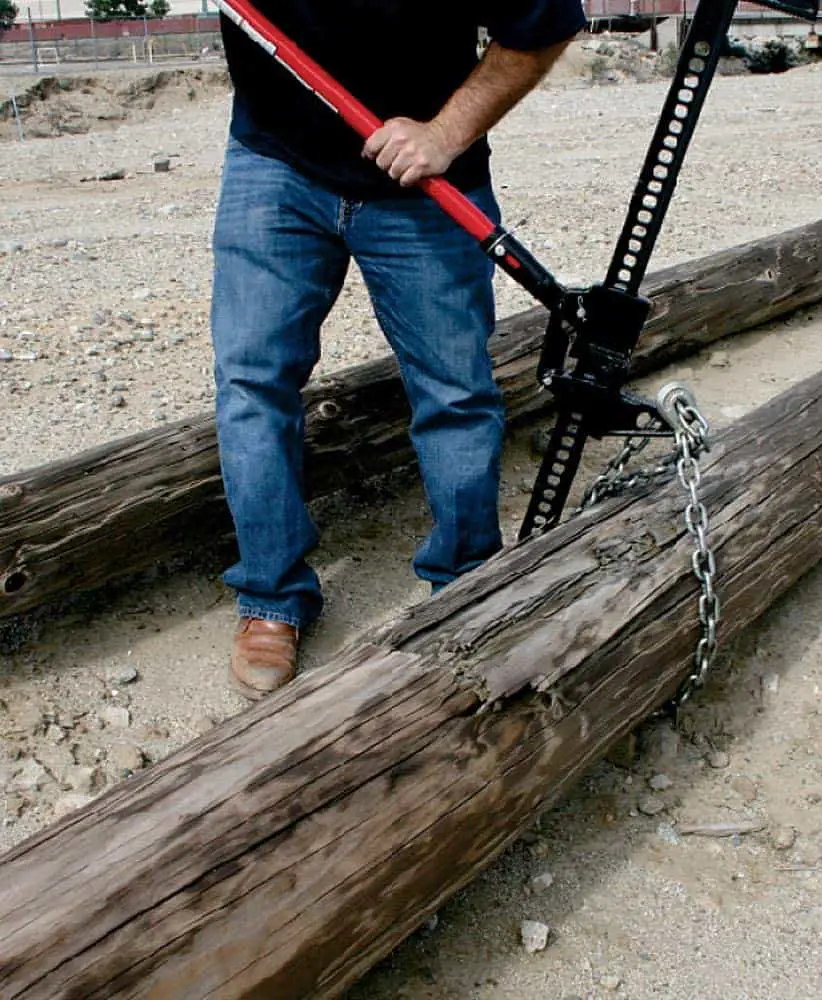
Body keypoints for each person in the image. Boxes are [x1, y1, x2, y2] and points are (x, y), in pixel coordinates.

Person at [213, 2, 586, 699]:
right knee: (251, 384)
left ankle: (467, 585)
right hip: (274, 162)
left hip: (425, 178)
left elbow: (542, 24)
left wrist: (446, 133)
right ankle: (271, 596)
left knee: (455, 392)